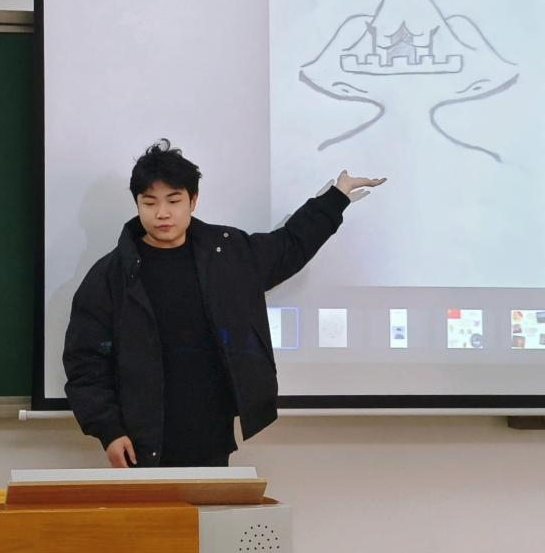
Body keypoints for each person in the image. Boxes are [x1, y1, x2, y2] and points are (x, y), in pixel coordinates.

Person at [63, 140, 385, 468]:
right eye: (149, 202)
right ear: (137, 204)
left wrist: (335, 198)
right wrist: (109, 430)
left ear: (193, 200)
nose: (162, 213)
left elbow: (288, 246)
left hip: (211, 434)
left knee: (213, 503)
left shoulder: (227, 253)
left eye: (173, 200)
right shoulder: (110, 275)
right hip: (140, 440)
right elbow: (85, 361)